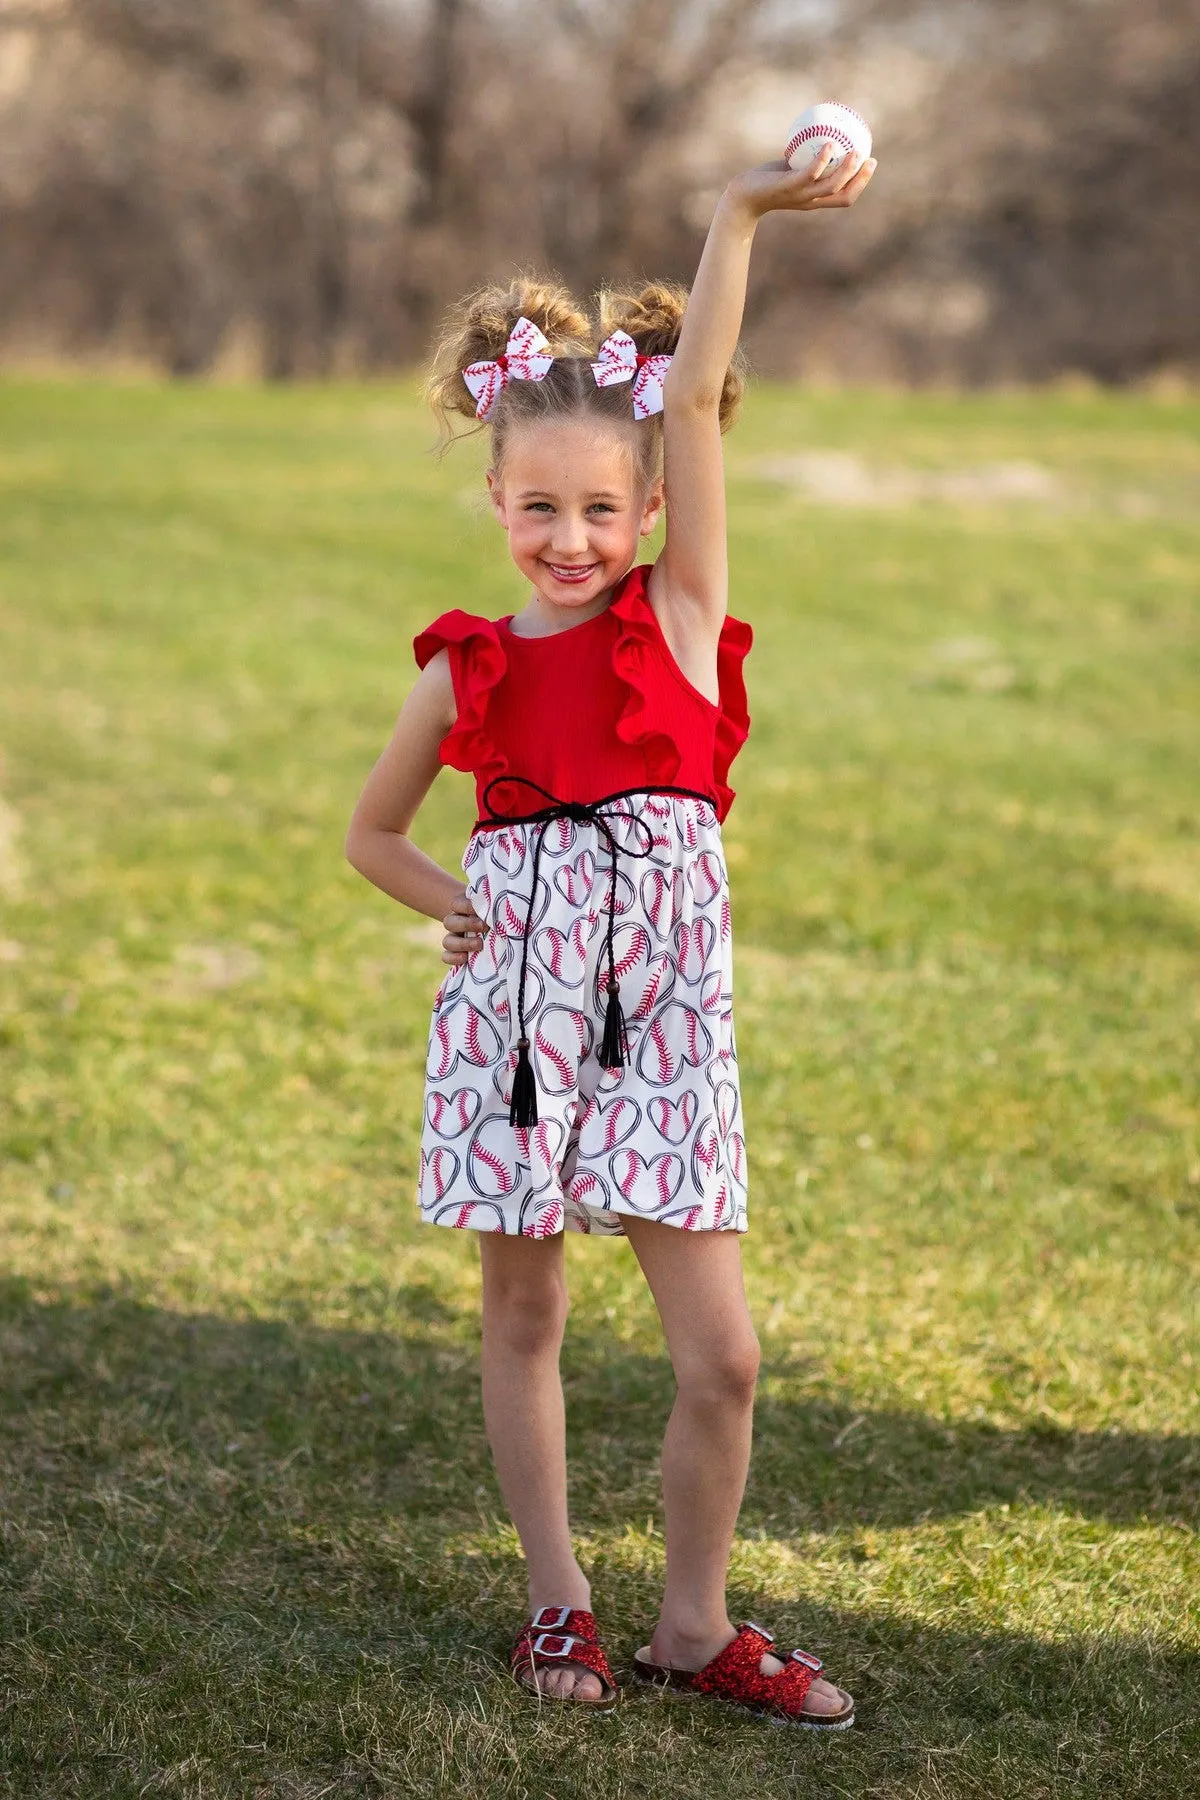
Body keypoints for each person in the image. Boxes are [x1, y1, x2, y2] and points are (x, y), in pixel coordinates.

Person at [346, 142, 876, 1726]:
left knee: (721, 1356)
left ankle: (695, 1626)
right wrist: (461, 909)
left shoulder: (682, 621)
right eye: (536, 509)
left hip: (668, 1039)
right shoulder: (469, 668)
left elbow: (701, 388)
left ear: (650, 503)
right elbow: (371, 835)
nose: (567, 539)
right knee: (528, 1314)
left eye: (597, 508)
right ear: (499, 501)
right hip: (516, 1026)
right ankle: (557, 1605)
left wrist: (735, 215)